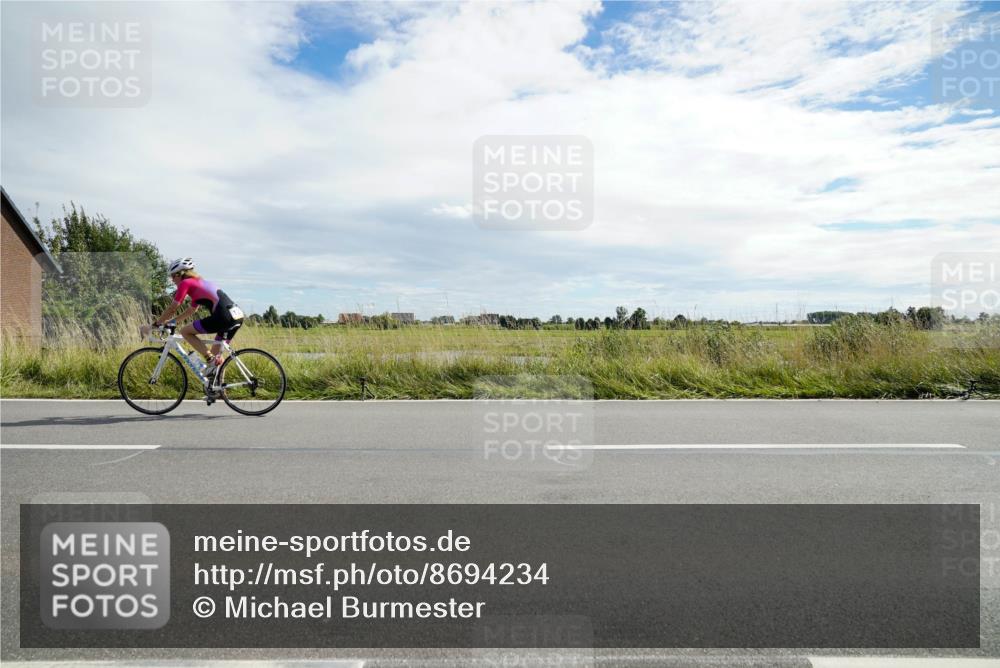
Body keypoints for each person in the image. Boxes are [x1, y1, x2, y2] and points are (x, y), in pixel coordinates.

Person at [141, 258, 244, 371]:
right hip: (236, 316)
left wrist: (154, 325)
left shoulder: (186, 283)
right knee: (216, 358)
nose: (172, 280)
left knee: (185, 331)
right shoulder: (199, 284)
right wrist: (171, 322)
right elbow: (191, 311)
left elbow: (173, 308)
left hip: (224, 316)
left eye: (173, 276)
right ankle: (219, 387)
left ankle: (210, 359)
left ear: (181, 274)